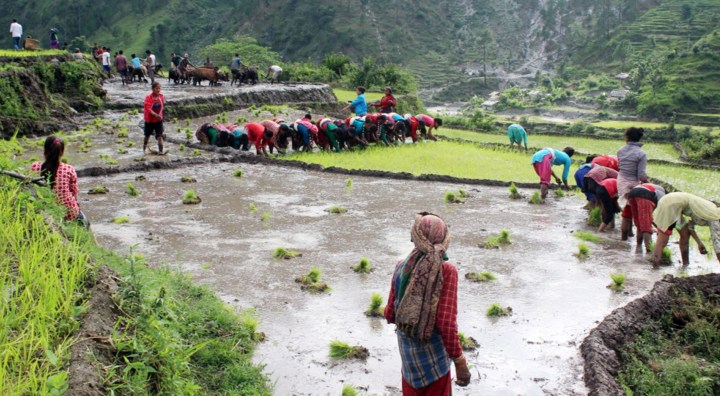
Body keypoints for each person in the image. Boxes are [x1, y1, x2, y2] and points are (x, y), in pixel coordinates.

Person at [384, 212, 471, 394]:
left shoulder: (401, 266)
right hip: (435, 365)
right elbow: (446, 323)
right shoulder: (446, 270)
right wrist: (460, 361)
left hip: (409, 363)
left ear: (416, 236)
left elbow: (390, 314)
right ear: (444, 239)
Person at [31, 136, 89, 227]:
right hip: (69, 212)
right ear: (62, 153)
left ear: (45, 151)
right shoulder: (69, 169)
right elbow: (74, 193)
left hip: (45, 209)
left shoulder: (35, 167)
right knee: (86, 222)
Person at [652, 192, 720, 267]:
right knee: (662, 241)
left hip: (671, 201)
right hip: (672, 206)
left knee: (685, 233)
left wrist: (699, 243)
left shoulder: (709, 210)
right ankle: (655, 268)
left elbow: (690, 226)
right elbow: (718, 246)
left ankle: (685, 265)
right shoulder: (715, 219)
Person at [617, 127, 648, 237]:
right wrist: (647, 183)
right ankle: (638, 245)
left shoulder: (620, 150)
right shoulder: (641, 154)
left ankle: (624, 238)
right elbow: (641, 175)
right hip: (634, 183)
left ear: (627, 137)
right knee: (637, 212)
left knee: (627, 210)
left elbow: (619, 166)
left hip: (621, 181)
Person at [621, 183, 665, 250]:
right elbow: (661, 211)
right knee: (646, 226)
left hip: (632, 193)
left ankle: (638, 247)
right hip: (644, 194)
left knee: (639, 224)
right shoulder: (663, 194)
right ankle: (649, 251)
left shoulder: (655, 187)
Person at [143, 82, 165, 154]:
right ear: (153, 89)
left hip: (158, 120)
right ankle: (144, 150)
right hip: (150, 120)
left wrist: (159, 116)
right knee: (147, 136)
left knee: (159, 136)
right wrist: (155, 114)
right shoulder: (148, 97)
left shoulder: (161, 97)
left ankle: (161, 152)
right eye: (156, 88)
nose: (158, 90)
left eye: (159, 88)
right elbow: (148, 109)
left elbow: (162, 107)